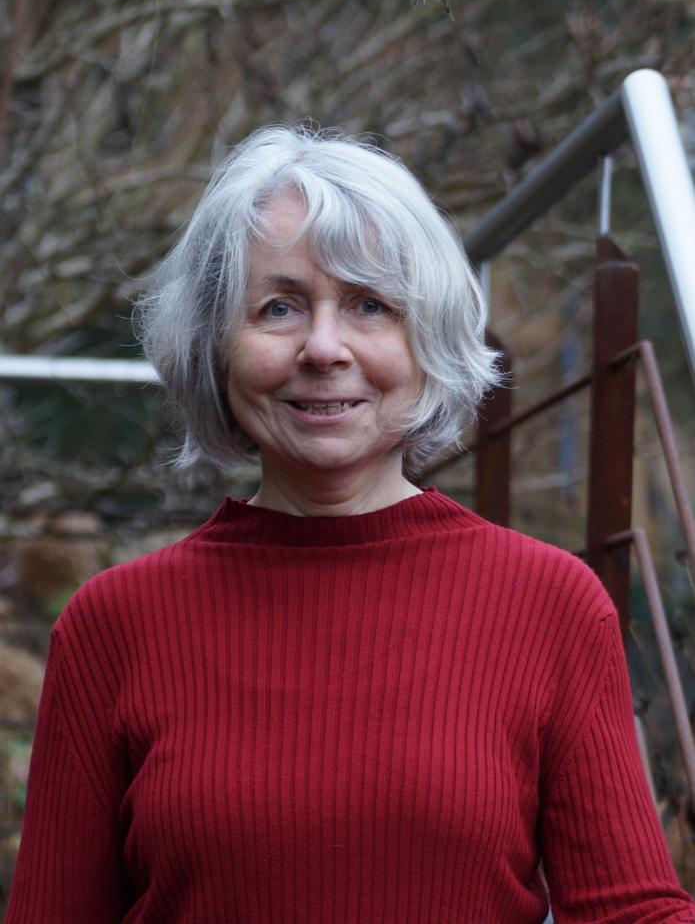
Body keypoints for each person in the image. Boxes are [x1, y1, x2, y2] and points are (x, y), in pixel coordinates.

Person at [5, 125, 695, 924]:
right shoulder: (113, 625)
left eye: (370, 305)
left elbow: (626, 911)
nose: (324, 348)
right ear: (215, 345)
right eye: (278, 307)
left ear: (427, 338)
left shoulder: (549, 604)